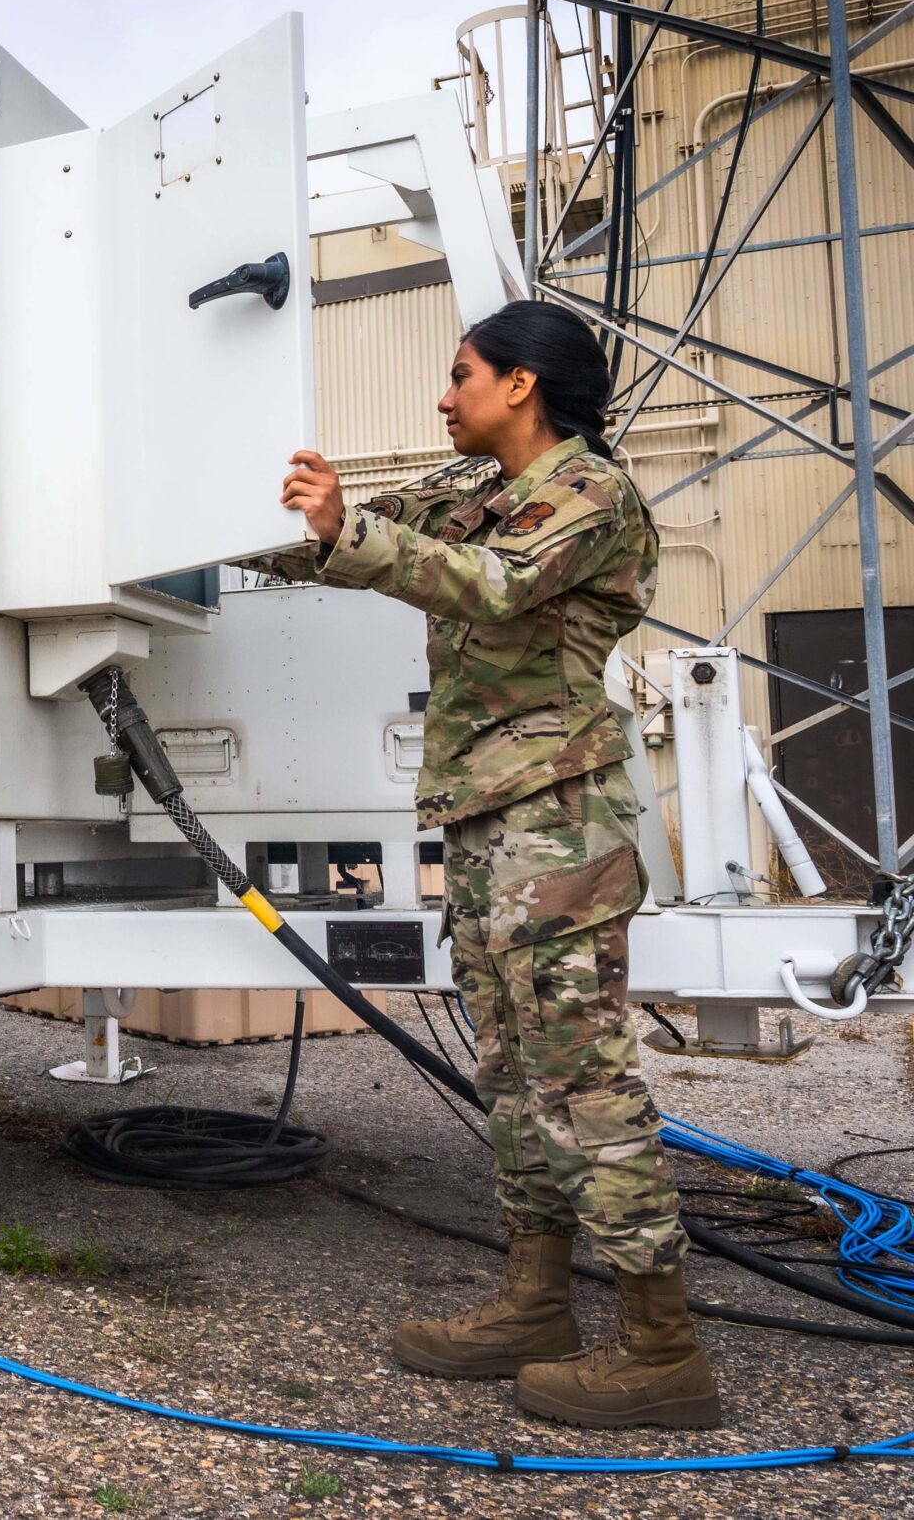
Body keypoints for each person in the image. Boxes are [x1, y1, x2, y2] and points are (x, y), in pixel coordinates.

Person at [250, 299, 716, 1429]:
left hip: (559, 828)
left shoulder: (591, 497)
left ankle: (663, 1350)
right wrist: (263, 519)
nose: (443, 396)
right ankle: (532, 1303)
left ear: (519, 385)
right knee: (511, 1083)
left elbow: (495, 584)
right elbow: (354, 539)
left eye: (460, 374)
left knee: (581, 1084)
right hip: (486, 822)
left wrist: (347, 533)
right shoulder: (472, 491)